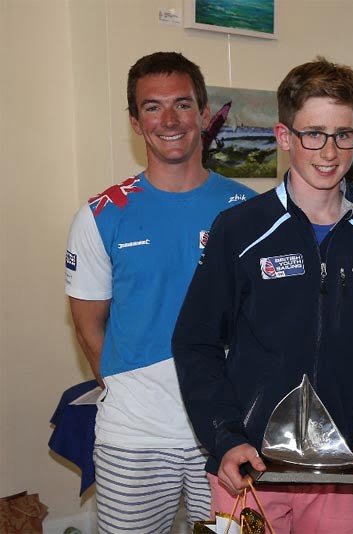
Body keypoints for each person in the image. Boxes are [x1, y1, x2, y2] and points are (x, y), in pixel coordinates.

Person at [171, 58, 353, 533]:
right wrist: (225, 437)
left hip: (340, 472)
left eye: (343, 134)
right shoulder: (240, 229)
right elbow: (194, 341)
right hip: (251, 467)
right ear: (284, 136)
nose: (329, 151)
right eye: (313, 134)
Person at [64, 52, 255, 533]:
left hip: (229, 436)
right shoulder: (99, 216)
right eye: (153, 107)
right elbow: (89, 329)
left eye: (182, 104)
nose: (169, 120)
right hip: (133, 439)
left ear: (204, 114)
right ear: (135, 121)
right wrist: (137, 398)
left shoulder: (249, 213)